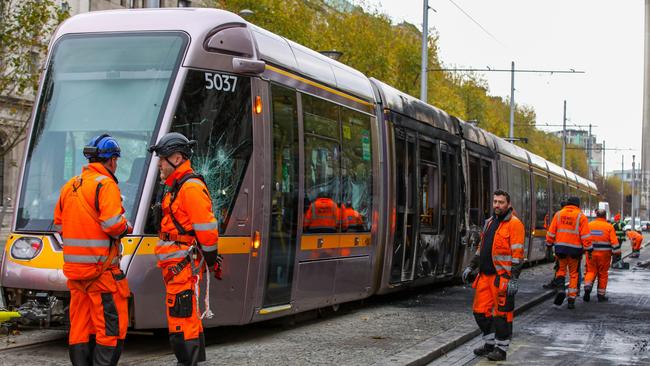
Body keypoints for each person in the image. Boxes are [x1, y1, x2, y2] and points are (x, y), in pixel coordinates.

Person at [54, 134, 132, 366]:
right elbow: (112, 224)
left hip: (76, 273)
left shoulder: (70, 185)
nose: (116, 164)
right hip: (102, 274)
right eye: (116, 159)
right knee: (110, 326)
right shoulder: (105, 185)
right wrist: (126, 226)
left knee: (80, 326)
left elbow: (59, 224)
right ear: (111, 160)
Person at [148, 132, 221, 366]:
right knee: (185, 314)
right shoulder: (176, 187)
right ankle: (193, 360)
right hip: (177, 267)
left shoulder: (189, 188)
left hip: (182, 267)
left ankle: (187, 362)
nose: (159, 163)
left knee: (182, 317)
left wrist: (211, 261)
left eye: (162, 158)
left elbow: (207, 231)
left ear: (177, 158)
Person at [462, 189, 525, 362]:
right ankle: (490, 344)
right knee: (479, 312)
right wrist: (471, 266)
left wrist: (513, 278)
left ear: (508, 204)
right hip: (484, 276)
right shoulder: (489, 222)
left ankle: (501, 349)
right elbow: (481, 247)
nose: (497, 205)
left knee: (501, 314)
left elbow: (518, 255)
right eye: (495, 202)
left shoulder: (515, 224)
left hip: (501, 277)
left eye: (501, 202)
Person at [546, 196, 592, 310]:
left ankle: (561, 289)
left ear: (567, 203)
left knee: (561, 270)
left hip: (560, 249)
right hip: (575, 251)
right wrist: (589, 249)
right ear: (578, 205)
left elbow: (551, 231)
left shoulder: (558, 214)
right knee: (573, 274)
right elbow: (585, 236)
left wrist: (549, 245)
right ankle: (571, 299)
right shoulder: (581, 217)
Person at [583, 209, 620, 302]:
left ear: (596, 215)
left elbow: (584, 238)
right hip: (605, 255)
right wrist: (617, 253)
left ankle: (587, 287)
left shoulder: (589, 225)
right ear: (605, 216)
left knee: (590, 271)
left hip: (591, 253)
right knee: (602, 274)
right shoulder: (609, 227)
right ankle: (601, 295)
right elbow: (614, 242)